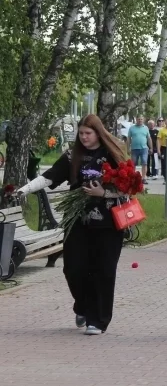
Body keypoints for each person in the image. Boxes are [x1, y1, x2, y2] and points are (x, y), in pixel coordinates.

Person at [17, 114, 127, 335]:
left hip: (108, 223)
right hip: (78, 220)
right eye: (81, 133)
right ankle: (83, 306)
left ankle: (98, 320)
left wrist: (103, 192)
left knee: (103, 271)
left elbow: (128, 186)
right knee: (73, 268)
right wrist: (25, 189)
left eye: (88, 133)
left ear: (98, 133)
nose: (84, 137)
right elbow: (50, 176)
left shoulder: (112, 156)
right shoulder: (72, 156)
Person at [128, 115, 152, 184]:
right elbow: (129, 139)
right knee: (133, 164)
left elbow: (149, 138)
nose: (140, 120)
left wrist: (151, 148)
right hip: (134, 149)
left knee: (144, 163)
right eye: (139, 119)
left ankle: (144, 178)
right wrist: (128, 148)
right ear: (136, 119)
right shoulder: (132, 128)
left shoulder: (146, 128)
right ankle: (133, 178)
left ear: (143, 120)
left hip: (144, 148)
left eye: (141, 119)